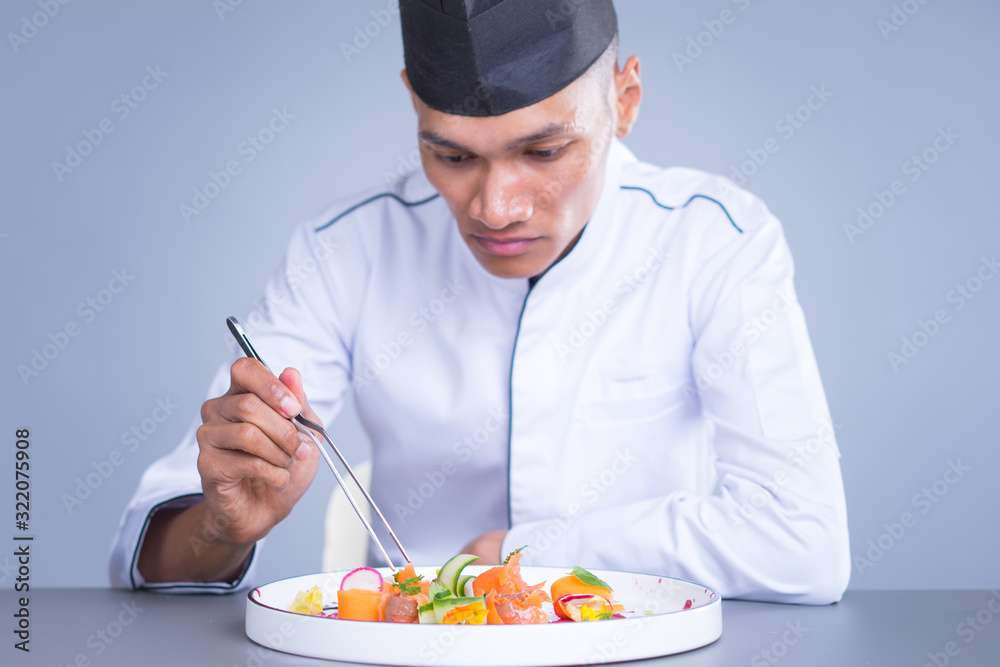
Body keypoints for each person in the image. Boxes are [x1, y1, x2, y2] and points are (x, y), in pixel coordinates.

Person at [110, 0, 850, 604]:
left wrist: (527, 553)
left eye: (544, 152)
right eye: (453, 155)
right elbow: (151, 555)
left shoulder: (715, 240)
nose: (495, 207)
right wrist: (222, 525)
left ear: (624, 102)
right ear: (413, 105)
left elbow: (804, 541)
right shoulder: (348, 249)